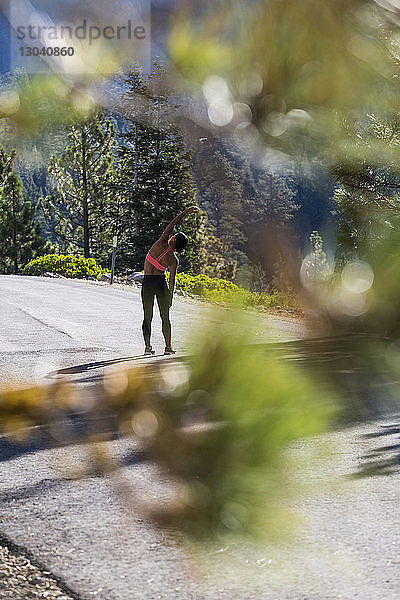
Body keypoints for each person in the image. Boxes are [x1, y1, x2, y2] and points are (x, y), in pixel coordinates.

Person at [141, 205, 199, 355]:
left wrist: (186, 211)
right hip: (161, 284)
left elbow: (172, 223)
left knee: (148, 316)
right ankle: (168, 347)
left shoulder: (161, 242)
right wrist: (170, 298)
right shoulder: (174, 260)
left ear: (173, 238)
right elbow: (172, 282)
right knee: (165, 317)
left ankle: (148, 348)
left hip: (148, 282)